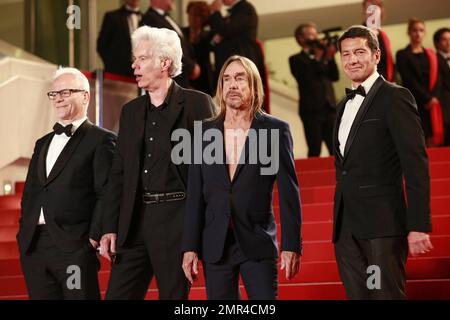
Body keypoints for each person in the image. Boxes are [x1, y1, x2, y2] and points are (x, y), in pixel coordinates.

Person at [99, 26, 215, 300]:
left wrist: (198, 234)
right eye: (135, 59)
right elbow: (119, 173)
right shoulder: (131, 111)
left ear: (165, 63)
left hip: (176, 222)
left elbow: (211, 172)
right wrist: (109, 225)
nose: (134, 65)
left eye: (142, 59)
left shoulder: (198, 104)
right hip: (134, 222)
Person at [181, 55, 302, 300]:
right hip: (215, 244)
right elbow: (195, 195)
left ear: (253, 85)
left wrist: (291, 245)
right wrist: (190, 247)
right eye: (226, 79)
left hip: (257, 241)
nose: (232, 85)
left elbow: (289, 193)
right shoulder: (203, 132)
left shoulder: (274, 130)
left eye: (239, 78)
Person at [333, 25, 433, 300]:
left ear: (377, 55)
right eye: (346, 54)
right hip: (345, 231)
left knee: (383, 296)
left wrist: (419, 224)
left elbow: (415, 163)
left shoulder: (395, 97)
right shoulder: (342, 105)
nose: (352, 59)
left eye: (360, 52)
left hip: (381, 228)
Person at [17, 67, 116, 299]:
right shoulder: (42, 143)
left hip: (75, 246)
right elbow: (31, 192)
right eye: (54, 93)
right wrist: (24, 232)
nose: (59, 98)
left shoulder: (102, 139)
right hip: (34, 247)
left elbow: (107, 192)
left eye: (66, 92)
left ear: (85, 96)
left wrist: (92, 239)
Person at [289, 23, 339, 157]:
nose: (315, 38)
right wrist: (318, 57)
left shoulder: (323, 56)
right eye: (311, 34)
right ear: (301, 39)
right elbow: (306, 77)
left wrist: (329, 57)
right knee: (314, 149)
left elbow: (334, 76)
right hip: (311, 111)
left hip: (329, 108)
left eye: (315, 34)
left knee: (336, 149)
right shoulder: (296, 60)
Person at [396, 18, 442, 146]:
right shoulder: (402, 54)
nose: (418, 34)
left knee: (434, 141)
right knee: (418, 139)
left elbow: (438, 78)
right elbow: (409, 80)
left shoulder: (432, 54)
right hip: (414, 101)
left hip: (433, 103)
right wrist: (427, 98)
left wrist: (434, 98)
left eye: (421, 30)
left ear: (424, 33)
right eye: (414, 30)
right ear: (409, 33)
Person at [207, 0, 267, 96]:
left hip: (241, 65)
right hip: (230, 66)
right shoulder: (233, 13)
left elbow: (226, 30)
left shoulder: (245, 8)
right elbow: (218, 34)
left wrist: (215, 12)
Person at [140, 0, 200, 88]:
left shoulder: (167, 18)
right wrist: (191, 67)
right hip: (169, 84)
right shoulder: (150, 19)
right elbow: (168, 50)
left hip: (180, 80)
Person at [97, 0, 142, 78]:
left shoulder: (146, 18)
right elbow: (101, 45)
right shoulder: (112, 17)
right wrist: (113, 66)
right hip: (117, 72)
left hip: (140, 72)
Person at [183, 1, 214, 95]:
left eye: (196, 15)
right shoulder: (182, 33)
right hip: (188, 76)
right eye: (190, 14)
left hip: (204, 79)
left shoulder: (208, 35)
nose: (191, 18)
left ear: (203, 18)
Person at [362, 0, 396, 82]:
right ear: (364, 11)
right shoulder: (361, 34)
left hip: (387, 82)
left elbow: (387, 62)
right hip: (371, 84)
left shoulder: (383, 35)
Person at [433, 27, 450, 146]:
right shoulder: (433, 59)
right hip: (443, 106)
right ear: (437, 43)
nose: (448, 42)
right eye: (444, 39)